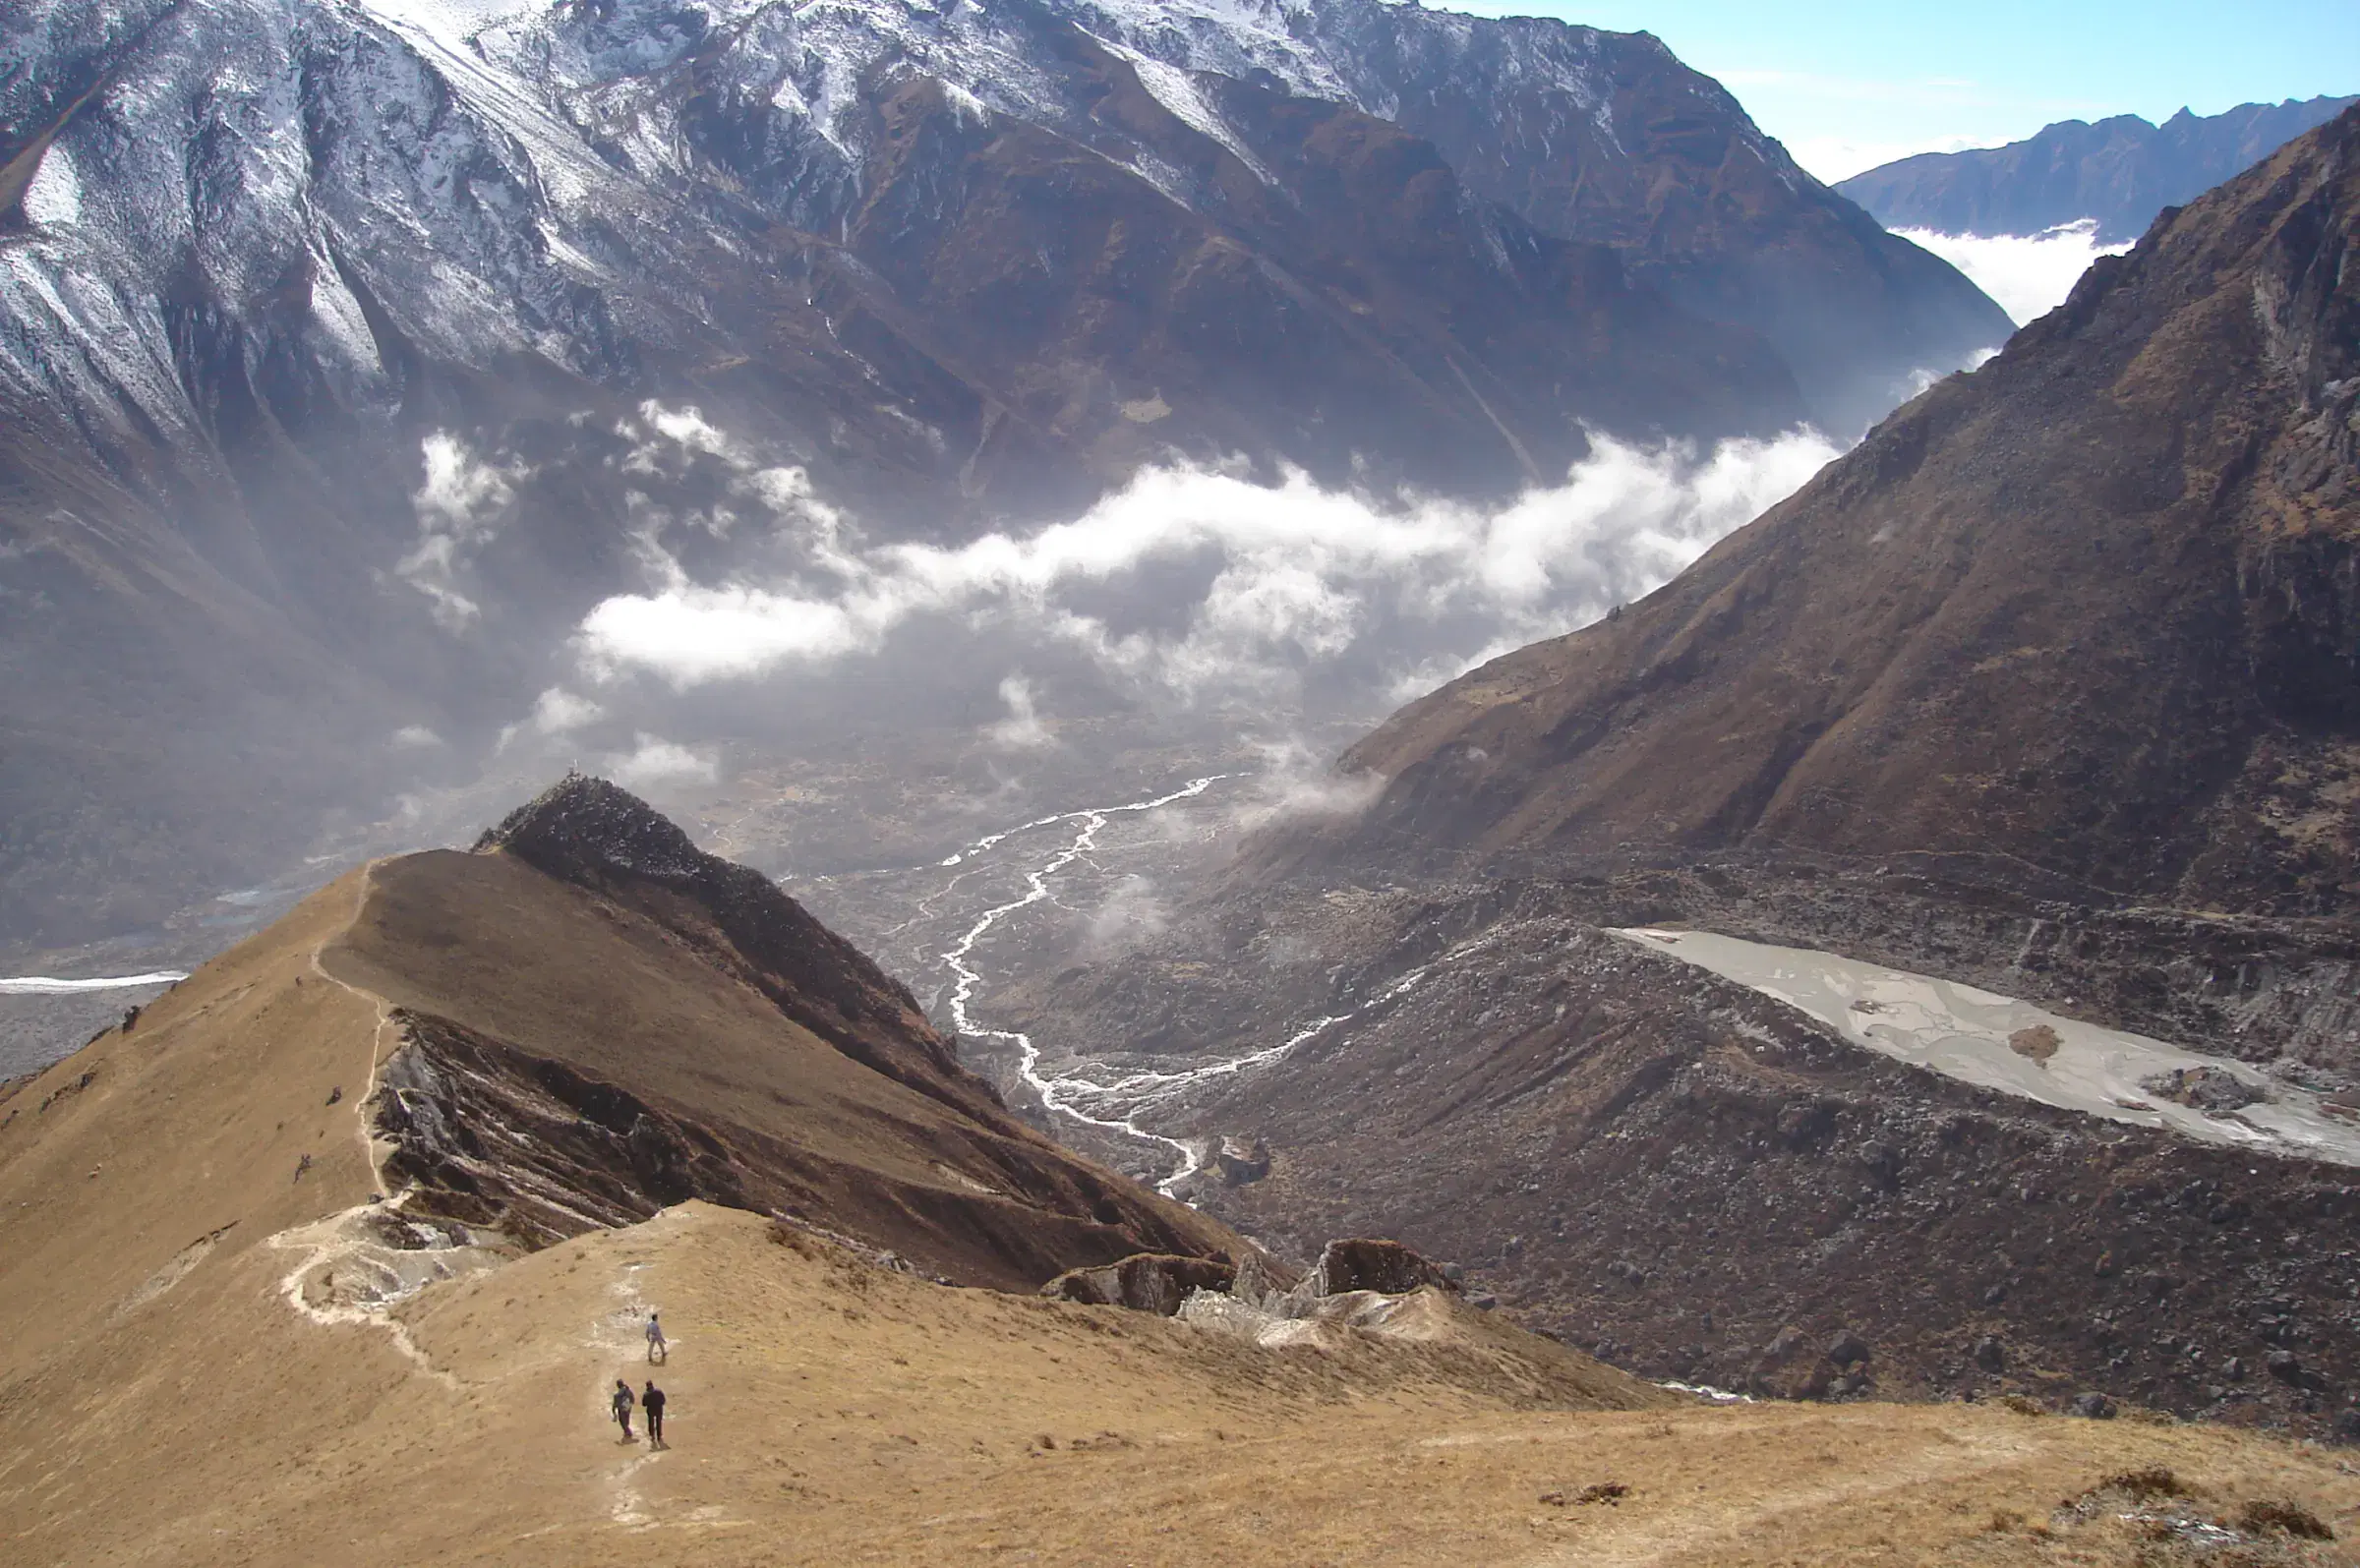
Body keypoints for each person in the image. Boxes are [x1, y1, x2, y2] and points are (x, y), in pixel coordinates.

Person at [642, 1380, 667, 1448]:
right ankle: (659, 1436)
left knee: (651, 1422)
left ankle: (652, 1435)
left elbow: (644, 1404)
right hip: (659, 1409)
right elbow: (663, 1401)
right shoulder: (659, 1391)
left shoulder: (646, 1394)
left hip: (651, 1410)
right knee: (659, 1422)